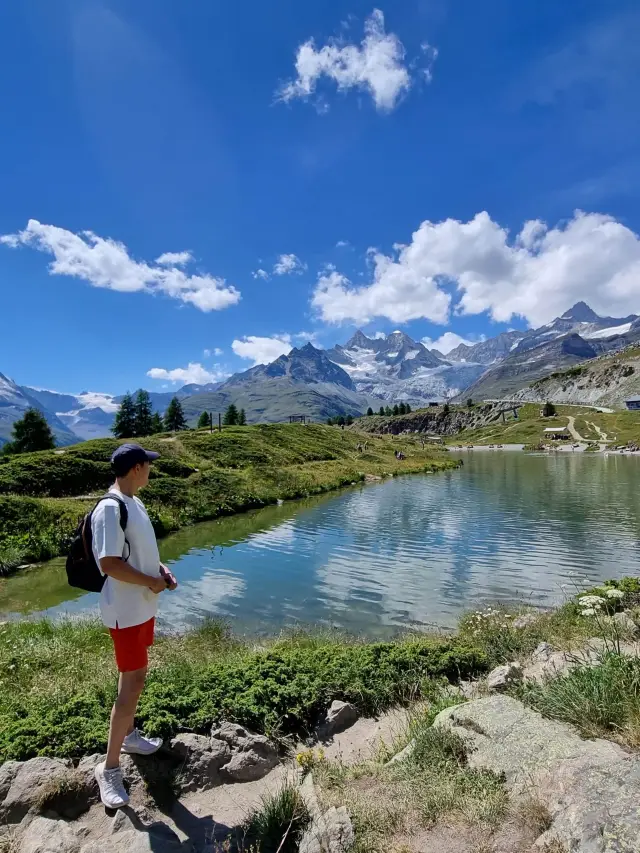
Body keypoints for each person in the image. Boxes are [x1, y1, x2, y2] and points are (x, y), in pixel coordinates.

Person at [92, 443, 178, 809]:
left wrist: (160, 573)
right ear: (137, 468)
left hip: (142, 606)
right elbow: (109, 563)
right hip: (125, 610)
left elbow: (140, 554)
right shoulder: (109, 509)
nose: (151, 471)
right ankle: (109, 769)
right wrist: (149, 582)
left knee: (132, 676)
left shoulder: (133, 502)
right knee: (134, 679)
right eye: (149, 466)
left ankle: (129, 734)